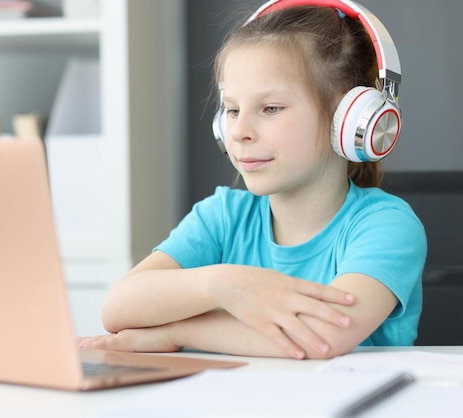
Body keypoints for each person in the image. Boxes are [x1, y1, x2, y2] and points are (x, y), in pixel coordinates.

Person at [77, 0, 427, 360]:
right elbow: (118, 308)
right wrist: (226, 285)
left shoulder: (385, 225)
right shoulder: (223, 216)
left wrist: (175, 330)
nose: (239, 131)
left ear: (349, 120)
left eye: (270, 108)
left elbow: (321, 338)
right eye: (231, 109)